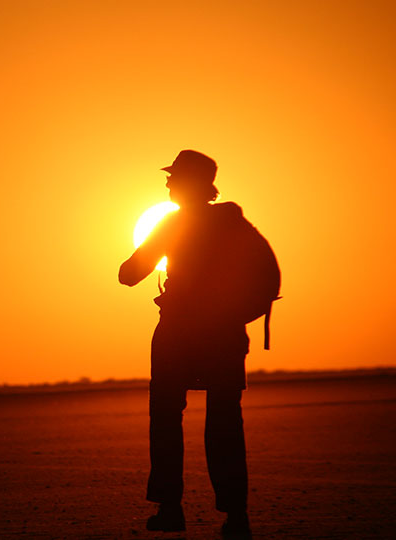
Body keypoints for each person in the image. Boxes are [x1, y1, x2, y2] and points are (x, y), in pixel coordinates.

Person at [119, 150, 275, 539]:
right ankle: (236, 517)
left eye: (173, 178)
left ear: (189, 183)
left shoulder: (172, 225)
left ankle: (170, 509)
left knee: (167, 419)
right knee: (225, 423)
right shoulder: (237, 225)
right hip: (224, 335)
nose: (167, 184)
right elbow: (268, 277)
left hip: (179, 334)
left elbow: (128, 274)